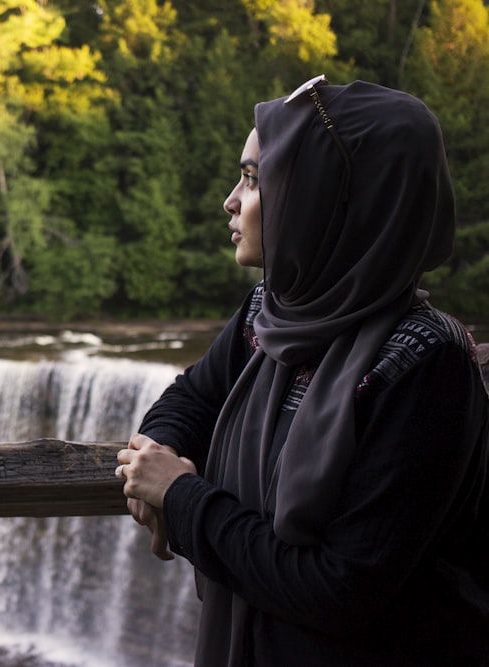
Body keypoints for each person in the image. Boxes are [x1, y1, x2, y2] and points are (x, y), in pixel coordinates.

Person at [116, 76, 489, 666]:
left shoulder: (427, 364)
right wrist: (157, 453)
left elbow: (340, 590)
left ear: (325, 195)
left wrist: (182, 498)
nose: (230, 202)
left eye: (252, 178)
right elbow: (190, 396)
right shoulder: (271, 311)